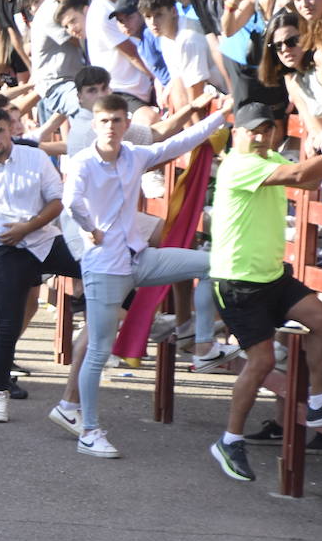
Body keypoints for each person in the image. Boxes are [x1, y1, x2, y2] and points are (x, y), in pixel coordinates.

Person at [65, 92, 239, 458]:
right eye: (104, 121)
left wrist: (220, 116)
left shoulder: (135, 155)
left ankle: (204, 346)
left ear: (127, 124)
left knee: (211, 263)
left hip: (139, 259)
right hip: (104, 268)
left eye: (117, 120)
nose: (111, 127)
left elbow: (179, 142)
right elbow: (71, 201)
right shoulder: (83, 162)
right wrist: (89, 229)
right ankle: (89, 431)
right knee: (98, 351)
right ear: (94, 124)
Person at [205, 102, 322, 481]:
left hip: (273, 277)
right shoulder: (239, 165)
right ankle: (229, 440)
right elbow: (298, 171)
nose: (260, 137)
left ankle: (320, 402)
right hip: (237, 283)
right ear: (237, 133)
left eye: (267, 130)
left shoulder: (268, 157)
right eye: (252, 131)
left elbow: (306, 180)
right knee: (259, 362)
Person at [0, 107, 78, 422]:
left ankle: (123, 312)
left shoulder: (35, 158)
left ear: (10, 129)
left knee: (92, 266)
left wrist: (28, 227)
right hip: (7, 250)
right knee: (7, 325)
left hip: (43, 240)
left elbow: (57, 201)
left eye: (0, 130)